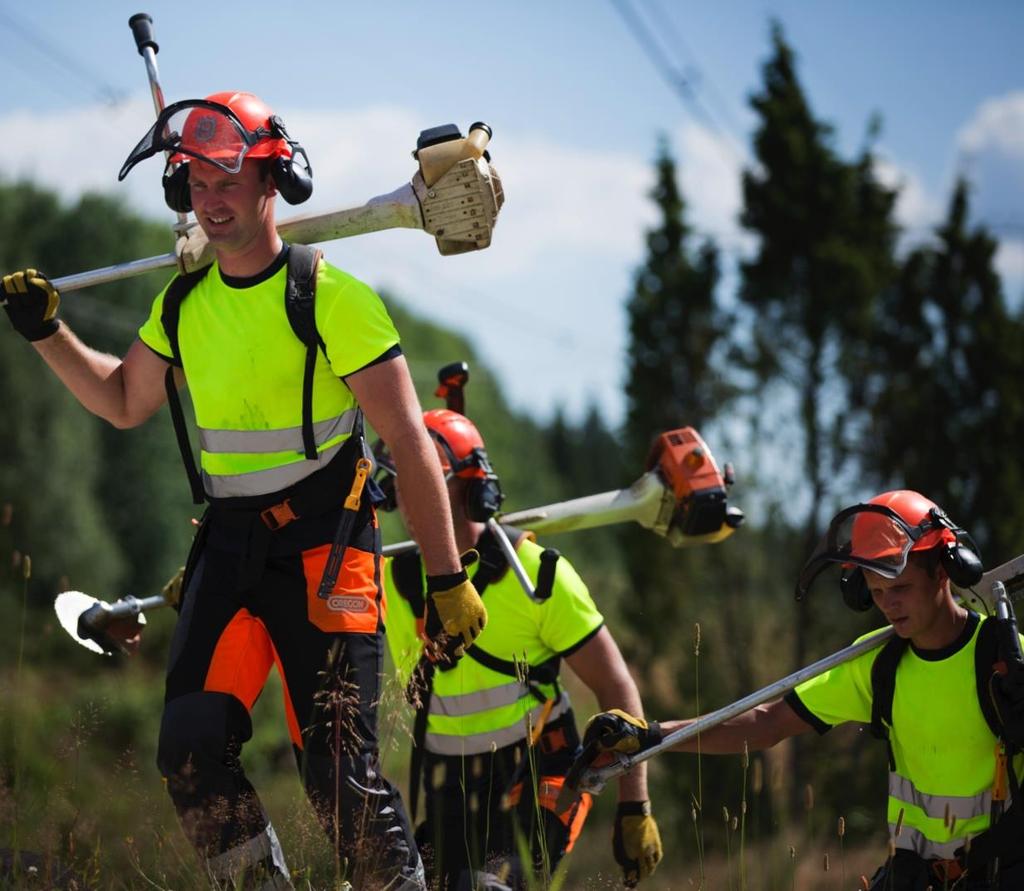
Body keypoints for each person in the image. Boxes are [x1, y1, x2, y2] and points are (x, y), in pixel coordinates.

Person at [1, 91, 488, 891]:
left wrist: (446, 578)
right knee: (187, 754)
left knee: (340, 776)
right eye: (195, 184)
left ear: (274, 183)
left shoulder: (334, 298)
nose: (211, 201)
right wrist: (46, 332)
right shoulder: (182, 305)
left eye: (228, 181)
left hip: (327, 550)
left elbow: (407, 441)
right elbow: (124, 401)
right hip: (228, 547)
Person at [579, 490, 1024, 890]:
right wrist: (652, 736)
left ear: (943, 574)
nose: (889, 605)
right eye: (877, 591)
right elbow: (765, 722)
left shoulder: (1004, 659)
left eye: (902, 588)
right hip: (915, 878)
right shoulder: (878, 665)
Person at [375, 407, 662, 890]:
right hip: (449, 784)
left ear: (474, 488)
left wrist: (635, 807)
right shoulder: (388, 581)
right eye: (402, 474)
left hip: (538, 772)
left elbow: (615, 686)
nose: (409, 490)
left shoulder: (539, 576)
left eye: (429, 474)